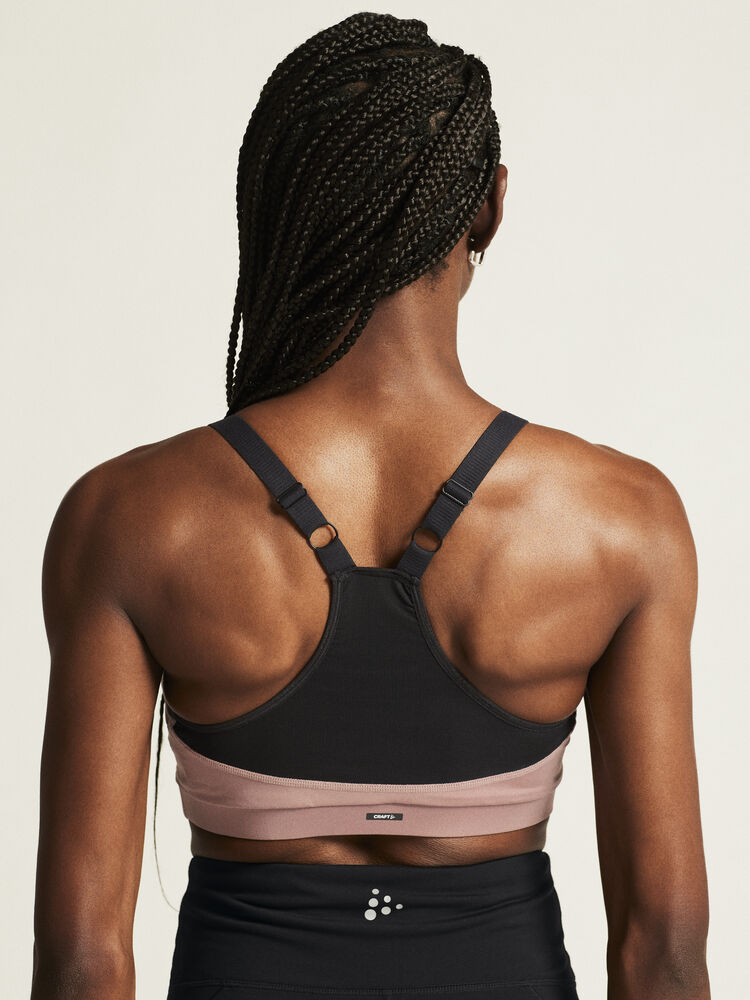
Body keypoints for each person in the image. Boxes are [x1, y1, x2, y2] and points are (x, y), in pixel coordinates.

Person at [32, 12, 710, 1000]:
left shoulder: (131, 519)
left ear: (277, 208)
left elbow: (82, 961)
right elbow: (664, 951)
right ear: (489, 208)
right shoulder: (620, 522)